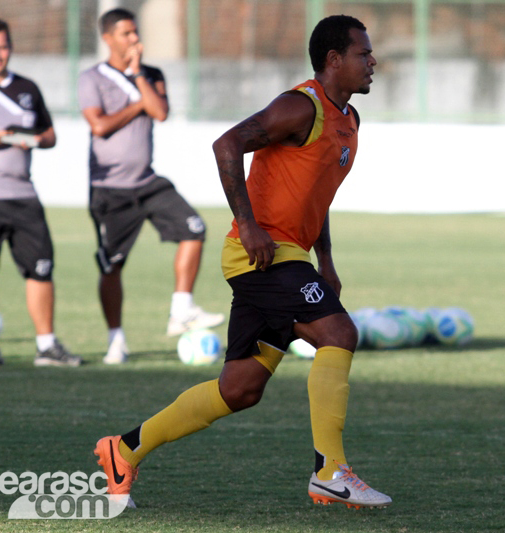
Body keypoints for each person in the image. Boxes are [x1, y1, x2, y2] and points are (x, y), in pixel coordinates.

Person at [94, 15, 390, 509]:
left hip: (289, 255)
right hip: (261, 254)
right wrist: (248, 224)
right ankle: (330, 471)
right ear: (333, 60)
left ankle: (123, 449)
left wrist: (327, 259)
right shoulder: (301, 107)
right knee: (339, 334)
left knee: (240, 388)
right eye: (363, 53)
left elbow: (317, 196)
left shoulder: (349, 121)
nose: (372, 61)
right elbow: (226, 144)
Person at [78, 8, 224, 364]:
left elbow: (159, 111)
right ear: (108, 38)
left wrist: (138, 77)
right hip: (109, 187)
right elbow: (99, 126)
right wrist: (136, 104)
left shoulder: (152, 74)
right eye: (126, 34)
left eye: (135, 32)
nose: (134, 39)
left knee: (195, 228)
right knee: (111, 265)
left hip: (147, 182)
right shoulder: (92, 78)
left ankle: (181, 309)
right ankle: (116, 340)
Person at [0, 19, 82, 368]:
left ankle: (46, 345)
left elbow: (50, 135)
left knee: (41, 267)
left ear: (10, 47)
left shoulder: (28, 87)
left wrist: (37, 140)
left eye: (3, 47)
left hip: (23, 193)